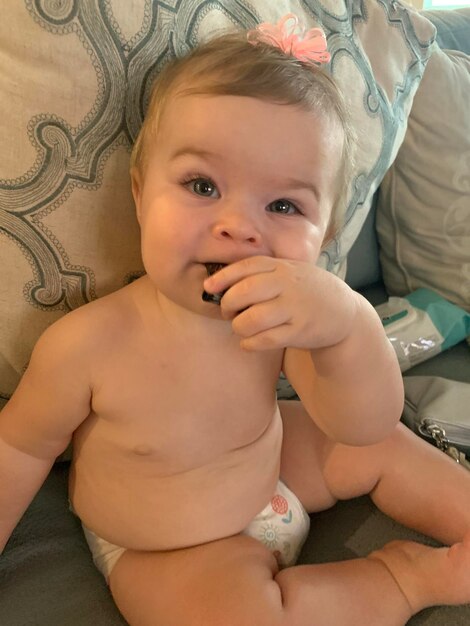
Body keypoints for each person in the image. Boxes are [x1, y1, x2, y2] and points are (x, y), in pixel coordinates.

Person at [1, 13, 470, 626]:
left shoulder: (291, 319)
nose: (240, 227)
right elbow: (17, 447)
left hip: (273, 467)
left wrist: (348, 324)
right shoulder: (89, 343)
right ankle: (404, 579)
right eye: (202, 185)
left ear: (323, 237)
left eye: (283, 205)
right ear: (141, 197)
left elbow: (362, 423)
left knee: (384, 446)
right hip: (169, 545)